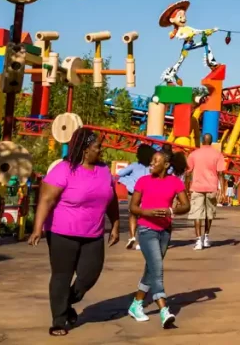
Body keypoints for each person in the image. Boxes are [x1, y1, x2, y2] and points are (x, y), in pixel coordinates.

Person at [28, 129, 120, 337]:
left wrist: (115, 223)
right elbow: (46, 200)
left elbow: (111, 199)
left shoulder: (104, 171)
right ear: (85, 150)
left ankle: (65, 301)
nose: (101, 150)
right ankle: (59, 320)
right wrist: (37, 228)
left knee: (89, 276)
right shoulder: (63, 170)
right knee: (62, 275)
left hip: (93, 233)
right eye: (97, 147)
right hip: (62, 233)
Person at [127, 149, 191, 328]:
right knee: (158, 268)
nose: (152, 163)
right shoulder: (143, 181)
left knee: (151, 269)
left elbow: (186, 205)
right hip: (146, 229)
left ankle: (136, 304)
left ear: (166, 164)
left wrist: (172, 211)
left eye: (156, 161)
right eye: (151, 160)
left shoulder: (175, 182)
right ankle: (164, 310)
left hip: (165, 230)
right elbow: (133, 207)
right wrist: (146, 212)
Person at [186, 133, 225, 250]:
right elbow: (221, 173)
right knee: (209, 213)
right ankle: (206, 237)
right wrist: (222, 190)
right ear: (211, 141)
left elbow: (188, 172)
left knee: (197, 214)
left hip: (197, 187)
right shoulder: (218, 155)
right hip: (211, 187)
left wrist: (187, 186)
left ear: (202, 141)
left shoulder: (193, 154)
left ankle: (198, 241)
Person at [118, 145, 154, 251]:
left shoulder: (134, 166)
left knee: (132, 215)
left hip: (133, 192)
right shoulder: (152, 167)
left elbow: (120, 173)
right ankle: (141, 240)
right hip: (147, 194)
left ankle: (132, 236)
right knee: (144, 216)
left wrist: (128, 180)